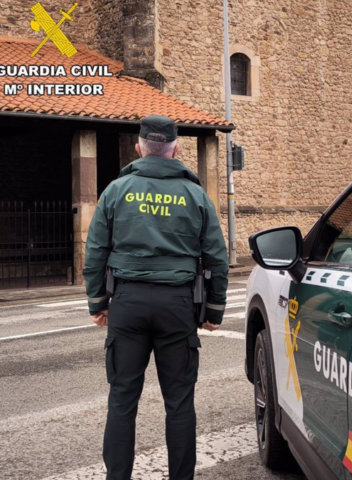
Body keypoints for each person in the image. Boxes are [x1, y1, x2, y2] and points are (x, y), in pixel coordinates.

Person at [83, 115, 229, 480]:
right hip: (178, 306)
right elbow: (216, 256)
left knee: (121, 400)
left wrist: (98, 303)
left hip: (128, 304)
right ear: (175, 148)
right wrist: (214, 309)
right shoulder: (196, 194)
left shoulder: (116, 190)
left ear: (139, 147)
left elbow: (95, 251)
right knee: (179, 402)